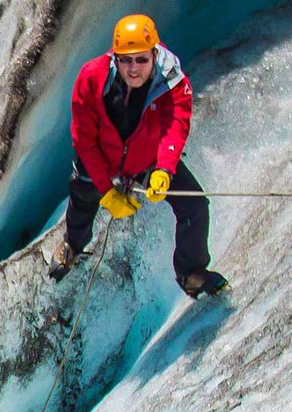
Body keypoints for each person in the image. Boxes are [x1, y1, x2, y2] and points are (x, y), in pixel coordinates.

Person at [49, 13, 228, 299]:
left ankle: (191, 273)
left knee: (194, 206)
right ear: (114, 57)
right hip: (102, 159)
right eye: (125, 60)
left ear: (154, 54)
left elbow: (175, 124)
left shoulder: (171, 82)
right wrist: (107, 190)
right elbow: (83, 138)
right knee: (84, 198)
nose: (133, 69)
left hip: (148, 160)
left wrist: (165, 169)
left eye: (141, 60)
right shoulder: (92, 78)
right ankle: (73, 244)